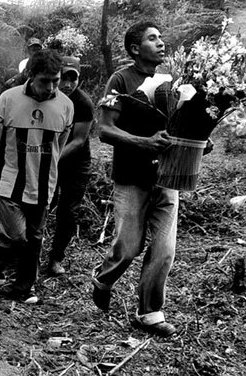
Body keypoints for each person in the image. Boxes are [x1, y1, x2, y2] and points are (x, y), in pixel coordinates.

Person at [91, 20, 178, 337]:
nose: (161, 42)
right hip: (131, 176)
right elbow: (104, 130)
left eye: (161, 37)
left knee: (164, 249)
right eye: (152, 38)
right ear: (134, 49)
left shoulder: (171, 82)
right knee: (128, 248)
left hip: (167, 176)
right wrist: (144, 143)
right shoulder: (121, 79)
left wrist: (197, 141)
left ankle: (150, 312)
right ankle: (103, 279)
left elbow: (179, 127)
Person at [0, 49, 74, 304]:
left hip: (44, 182)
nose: (50, 87)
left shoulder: (66, 106)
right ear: (30, 76)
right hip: (10, 179)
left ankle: (23, 287)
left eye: (55, 81)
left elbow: (60, 143)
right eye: (44, 81)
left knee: (34, 237)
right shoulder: (7, 100)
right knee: (16, 235)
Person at [47, 56, 95, 276]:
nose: (67, 84)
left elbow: (78, 140)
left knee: (68, 212)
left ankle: (56, 257)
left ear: (78, 78)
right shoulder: (47, 97)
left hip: (75, 164)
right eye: (63, 78)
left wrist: (53, 159)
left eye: (72, 79)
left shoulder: (83, 103)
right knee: (44, 203)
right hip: (49, 159)